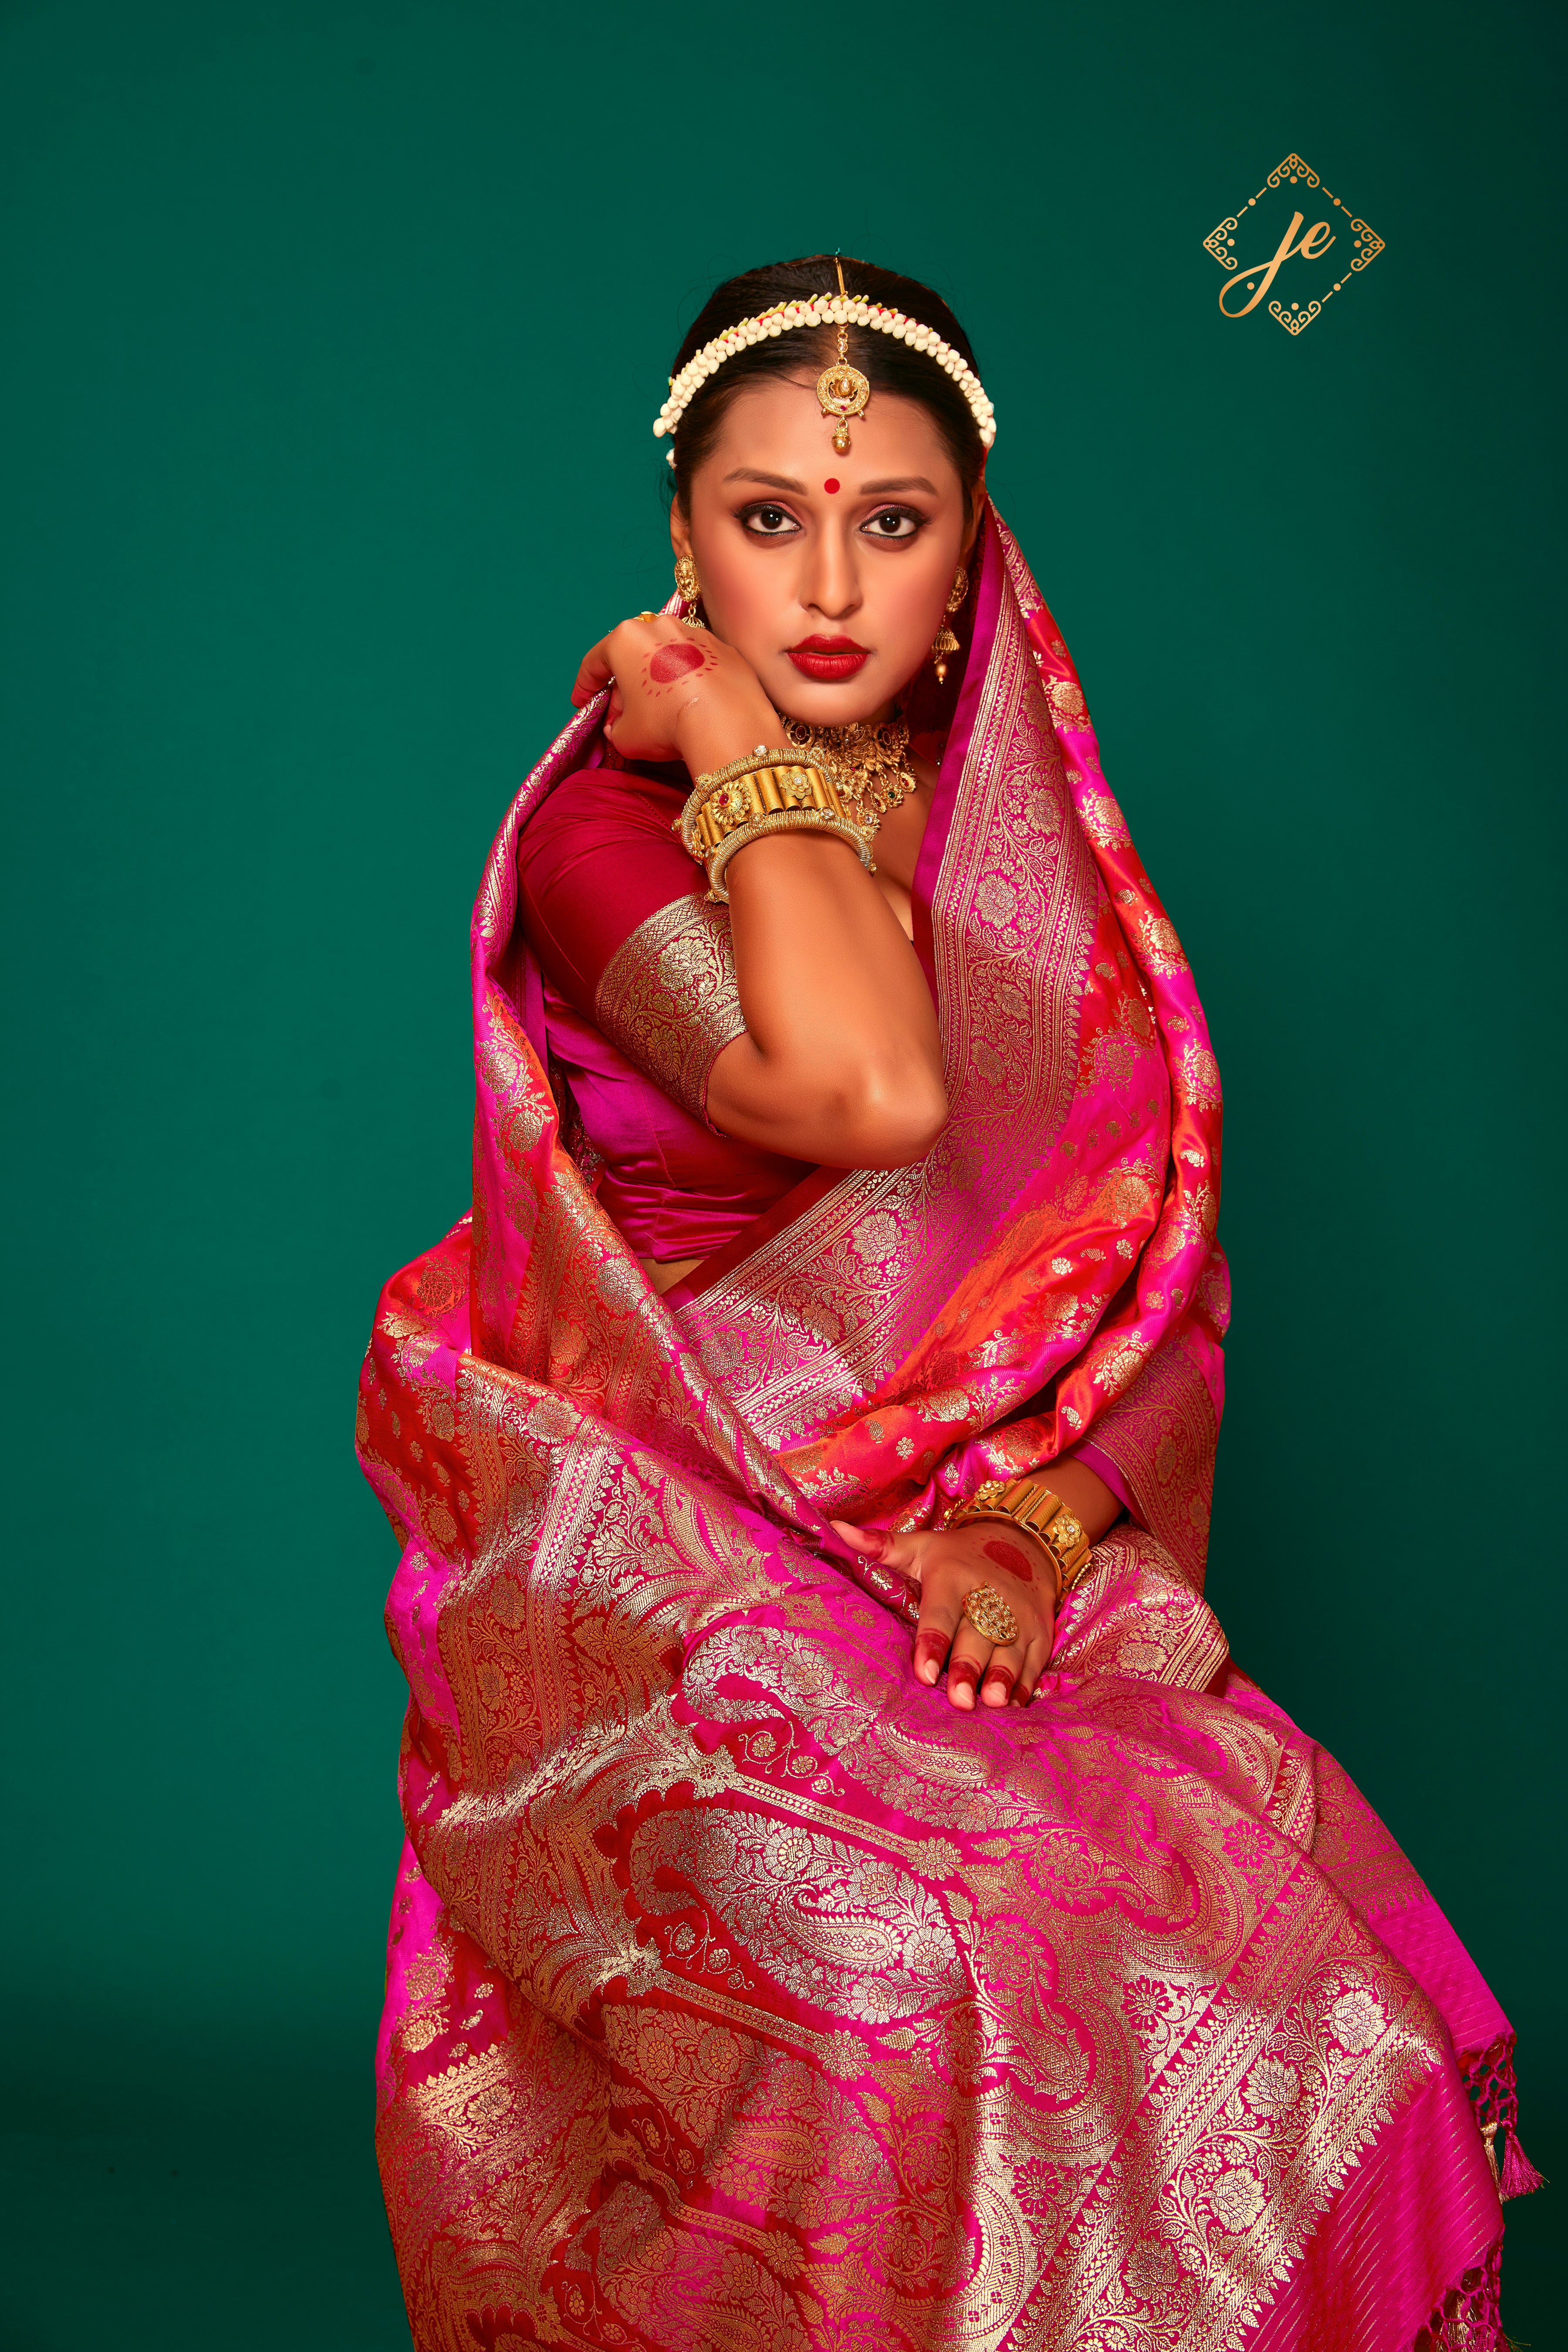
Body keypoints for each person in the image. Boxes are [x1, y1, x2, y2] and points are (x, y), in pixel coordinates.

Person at [358, 254, 1534, 2350]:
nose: (827, 584)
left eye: (891, 522)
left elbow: (1146, 1275)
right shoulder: (611, 833)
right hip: (658, 1576)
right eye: (768, 519)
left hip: (962, 1560)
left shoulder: (1029, 853)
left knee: (1288, 1931)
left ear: (973, 542)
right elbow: (870, 1088)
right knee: (922, 1966)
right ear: (680, 539)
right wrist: (730, 739)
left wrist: (1034, 1522)